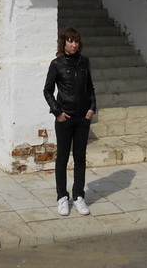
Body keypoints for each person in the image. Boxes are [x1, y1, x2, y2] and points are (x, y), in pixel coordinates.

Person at [43, 27, 96, 217]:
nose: (74, 45)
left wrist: (92, 107)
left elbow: (90, 87)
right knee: (63, 158)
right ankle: (62, 197)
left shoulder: (84, 62)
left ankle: (79, 196)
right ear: (63, 43)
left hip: (83, 118)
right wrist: (57, 112)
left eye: (76, 41)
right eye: (70, 41)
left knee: (80, 158)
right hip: (65, 118)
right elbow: (47, 90)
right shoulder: (56, 64)